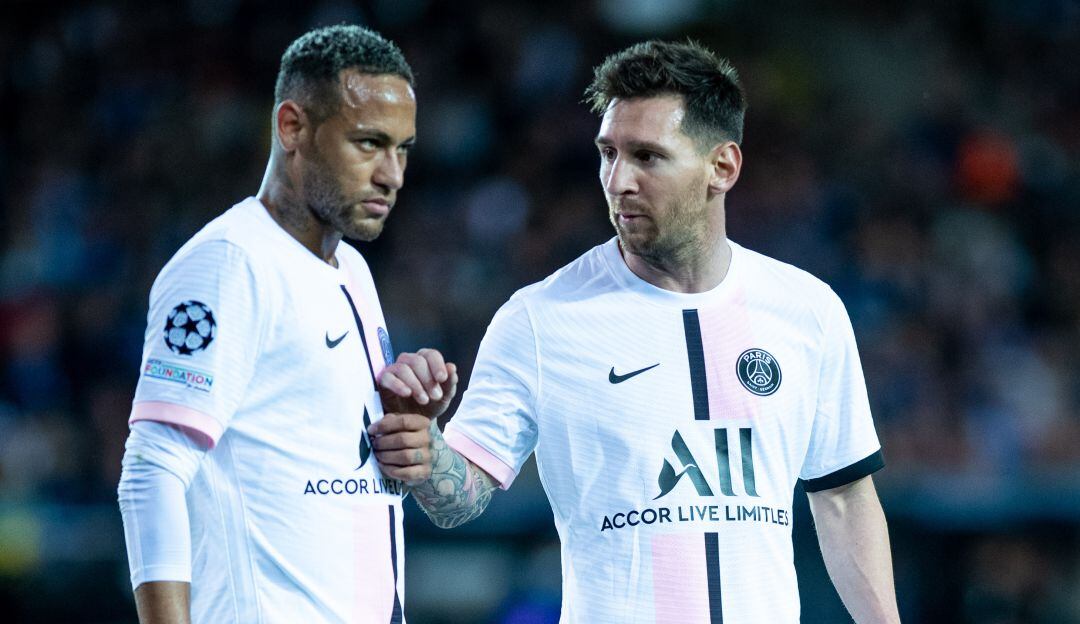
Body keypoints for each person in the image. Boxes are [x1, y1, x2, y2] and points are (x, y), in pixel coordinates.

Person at [373, 40, 901, 623]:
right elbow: (462, 497)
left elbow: (845, 497)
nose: (618, 179)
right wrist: (426, 450)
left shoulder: (808, 311)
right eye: (607, 153)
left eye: (647, 156)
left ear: (721, 167)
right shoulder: (540, 320)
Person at [117, 24, 454, 623]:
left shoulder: (351, 268)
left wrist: (404, 429)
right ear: (292, 127)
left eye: (403, 148)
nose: (392, 174)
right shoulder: (229, 263)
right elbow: (152, 469)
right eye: (369, 143)